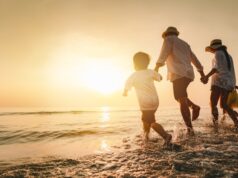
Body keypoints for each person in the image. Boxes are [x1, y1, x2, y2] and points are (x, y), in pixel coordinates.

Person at [154, 26, 205, 136]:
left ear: (166, 34)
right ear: (176, 33)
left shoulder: (168, 40)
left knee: (181, 98)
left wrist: (156, 68)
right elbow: (194, 59)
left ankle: (190, 129)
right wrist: (202, 73)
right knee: (179, 97)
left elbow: (163, 53)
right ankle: (194, 107)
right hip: (188, 74)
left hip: (178, 73)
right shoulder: (185, 44)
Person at [123, 52, 172, 145]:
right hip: (155, 101)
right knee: (146, 119)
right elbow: (160, 78)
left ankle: (166, 135)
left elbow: (127, 85)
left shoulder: (134, 75)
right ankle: (146, 137)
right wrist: (157, 74)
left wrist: (125, 92)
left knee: (151, 121)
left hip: (145, 102)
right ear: (147, 63)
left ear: (135, 64)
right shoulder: (150, 72)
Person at [201, 39, 238, 130]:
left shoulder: (218, 53)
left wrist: (206, 76)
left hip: (218, 82)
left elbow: (215, 69)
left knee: (213, 104)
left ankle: (215, 125)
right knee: (224, 105)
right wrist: (233, 84)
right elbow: (230, 71)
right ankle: (236, 122)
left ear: (213, 48)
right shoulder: (228, 56)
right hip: (227, 82)